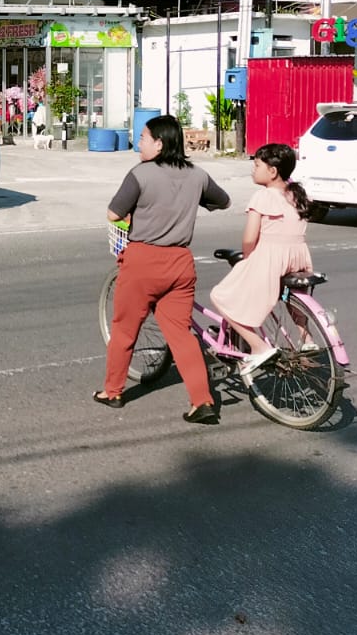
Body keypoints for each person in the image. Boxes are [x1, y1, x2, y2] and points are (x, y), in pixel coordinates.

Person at [95, 113, 231, 424]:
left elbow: (114, 212)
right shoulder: (197, 175)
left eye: (142, 138)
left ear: (159, 143)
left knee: (125, 328)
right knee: (181, 335)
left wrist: (132, 220)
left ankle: (113, 391)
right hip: (180, 264)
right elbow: (222, 202)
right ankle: (202, 402)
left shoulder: (141, 174)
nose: (138, 143)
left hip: (142, 261)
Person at [208, 143, 314, 373]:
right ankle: (306, 339)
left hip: (271, 259)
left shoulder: (263, 196)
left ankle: (258, 346)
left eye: (257, 165)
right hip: (298, 256)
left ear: (272, 171)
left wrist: (247, 257)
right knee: (289, 298)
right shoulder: (296, 193)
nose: (253, 170)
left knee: (220, 296)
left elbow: (249, 239)